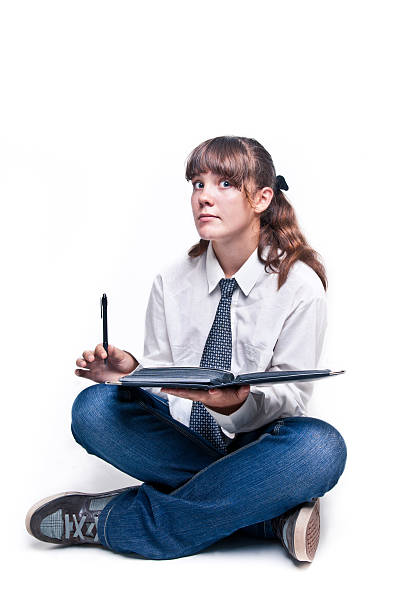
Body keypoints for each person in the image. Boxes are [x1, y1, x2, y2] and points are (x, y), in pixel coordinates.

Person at [26, 135, 347, 563]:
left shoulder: (300, 286)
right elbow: (168, 384)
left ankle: (114, 521)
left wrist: (235, 404)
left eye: (225, 184)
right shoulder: (171, 281)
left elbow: (292, 398)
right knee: (93, 409)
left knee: (321, 447)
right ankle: (268, 517)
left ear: (262, 198)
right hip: (183, 441)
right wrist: (132, 374)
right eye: (197, 184)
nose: (204, 197)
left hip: (256, 444)